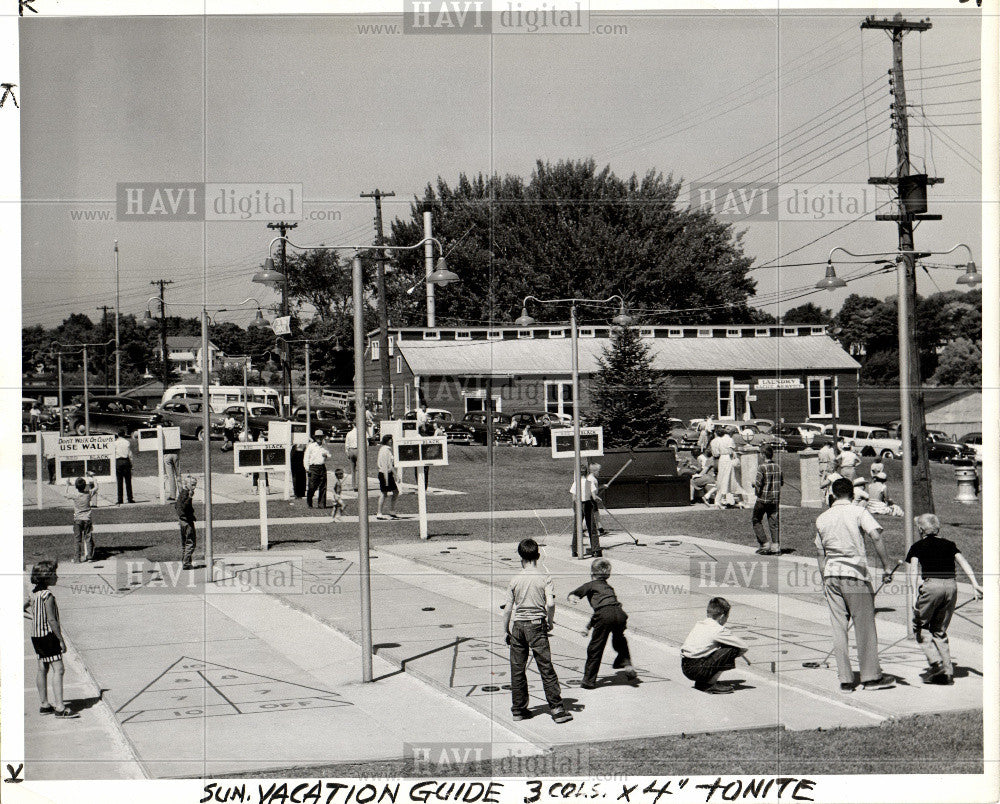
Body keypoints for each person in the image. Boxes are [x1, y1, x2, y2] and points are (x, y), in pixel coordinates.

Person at [814, 477, 896, 693]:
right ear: (852, 494)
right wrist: (887, 567)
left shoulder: (822, 518)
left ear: (832, 495)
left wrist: (825, 579)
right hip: (855, 575)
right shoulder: (858, 512)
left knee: (838, 628)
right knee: (865, 627)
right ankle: (870, 678)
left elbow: (820, 553)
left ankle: (845, 679)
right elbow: (876, 537)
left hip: (831, 575)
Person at [501, 538, 573, 723]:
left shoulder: (515, 579)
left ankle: (518, 709)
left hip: (518, 626)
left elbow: (508, 608)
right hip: (536, 625)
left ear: (520, 558)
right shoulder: (544, 578)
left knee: (517, 669)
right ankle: (557, 709)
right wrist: (550, 621)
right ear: (538, 556)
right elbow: (550, 603)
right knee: (545, 667)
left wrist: (505, 630)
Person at [906, 513, 983, 685]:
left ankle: (936, 663)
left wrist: (913, 596)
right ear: (938, 528)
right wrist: (975, 584)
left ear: (920, 530)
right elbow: (964, 563)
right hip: (951, 586)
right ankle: (947, 673)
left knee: (920, 625)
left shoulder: (918, 546)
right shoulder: (950, 545)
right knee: (939, 629)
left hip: (932, 586)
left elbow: (913, 572)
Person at [567, 558, 635, 688]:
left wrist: (572, 596)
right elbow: (604, 610)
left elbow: (600, 611)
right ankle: (626, 663)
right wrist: (587, 627)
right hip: (620, 614)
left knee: (595, 647)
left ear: (592, 573)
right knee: (619, 639)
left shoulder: (590, 585)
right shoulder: (609, 587)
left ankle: (589, 680)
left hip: (605, 615)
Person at [24, 561, 79, 718]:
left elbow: (21, 609)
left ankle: (44, 704)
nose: (57, 577)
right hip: (48, 636)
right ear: (46, 578)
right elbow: (52, 620)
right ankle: (60, 708)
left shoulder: (33, 594)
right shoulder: (47, 596)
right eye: (54, 575)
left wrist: (34, 618)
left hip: (36, 636)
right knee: (59, 669)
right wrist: (60, 639)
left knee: (42, 668)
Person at [680, 597, 748, 694]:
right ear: (722, 617)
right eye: (727, 617)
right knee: (733, 649)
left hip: (686, 666)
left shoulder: (700, 624)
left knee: (711, 651)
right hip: (698, 669)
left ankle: (702, 682)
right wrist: (732, 655)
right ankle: (709, 684)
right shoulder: (718, 630)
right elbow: (743, 646)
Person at [751, 446, 782, 555]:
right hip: (775, 499)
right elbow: (781, 482)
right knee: (774, 522)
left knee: (756, 519)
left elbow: (758, 484)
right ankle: (776, 545)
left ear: (763, 455)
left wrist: (754, 485)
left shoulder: (762, 467)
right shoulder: (777, 467)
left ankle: (764, 543)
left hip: (763, 499)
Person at [569, 463, 601, 558]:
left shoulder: (576, 483)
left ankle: (574, 550)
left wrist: (576, 507)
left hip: (578, 504)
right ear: (587, 473)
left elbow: (573, 497)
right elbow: (594, 497)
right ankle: (596, 550)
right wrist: (598, 499)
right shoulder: (589, 483)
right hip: (587, 504)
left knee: (577, 528)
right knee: (592, 527)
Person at [65, 475, 97, 563]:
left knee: (77, 540)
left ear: (76, 487)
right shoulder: (88, 494)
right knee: (88, 537)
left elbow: (66, 494)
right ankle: (90, 556)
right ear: (85, 486)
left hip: (78, 519)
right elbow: (96, 488)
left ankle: (77, 558)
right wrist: (94, 480)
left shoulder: (75, 495)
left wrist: (67, 484)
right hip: (87, 519)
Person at [713, 427, 741, 508]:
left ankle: (726, 499)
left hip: (721, 459)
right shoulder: (729, 440)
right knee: (727, 479)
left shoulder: (719, 440)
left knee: (722, 478)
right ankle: (721, 499)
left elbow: (716, 452)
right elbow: (731, 451)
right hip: (727, 459)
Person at [176, 476, 198, 570]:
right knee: (191, 542)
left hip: (182, 521)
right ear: (187, 484)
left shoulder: (181, 493)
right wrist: (190, 497)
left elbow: (177, 506)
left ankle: (186, 561)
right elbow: (185, 507)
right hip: (187, 521)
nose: (194, 487)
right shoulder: (186, 494)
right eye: (192, 484)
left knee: (184, 543)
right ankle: (186, 563)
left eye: (195, 485)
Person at [305, 430, 331, 509]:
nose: (319, 438)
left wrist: (326, 455)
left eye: (321, 437)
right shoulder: (311, 446)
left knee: (323, 486)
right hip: (313, 467)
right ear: (315, 438)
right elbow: (306, 457)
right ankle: (309, 502)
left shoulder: (324, 446)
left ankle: (322, 504)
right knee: (312, 486)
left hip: (322, 467)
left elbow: (329, 455)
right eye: (317, 437)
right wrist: (307, 468)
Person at [376, 434, 399, 520]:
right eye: (390, 440)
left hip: (386, 473)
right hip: (385, 473)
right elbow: (388, 465)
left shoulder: (384, 449)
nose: (391, 441)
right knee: (384, 493)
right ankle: (379, 512)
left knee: (395, 492)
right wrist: (396, 474)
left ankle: (392, 511)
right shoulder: (386, 450)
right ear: (386, 441)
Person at [113, 429, 134, 505]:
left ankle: (120, 499)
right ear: (124, 434)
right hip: (126, 461)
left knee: (119, 481)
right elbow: (130, 454)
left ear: (118, 435)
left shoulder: (115, 443)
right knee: (128, 481)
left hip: (118, 461)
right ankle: (130, 498)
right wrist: (131, 464)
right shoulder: (127, 442)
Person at [344, 424, 359, 491]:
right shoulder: (361, 432)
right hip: (358, 450)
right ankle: (358, 485)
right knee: (359, 469)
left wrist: (347, 453)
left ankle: (354, 485)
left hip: (351, 450)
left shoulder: (349, 433)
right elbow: (366, 443)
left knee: (353, 469)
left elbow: (346, 444)